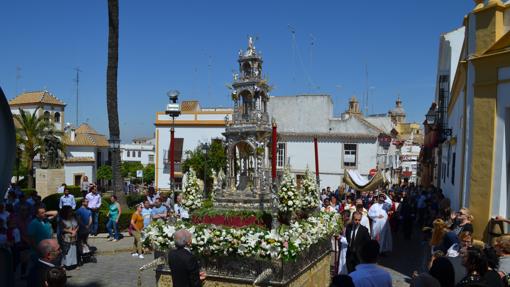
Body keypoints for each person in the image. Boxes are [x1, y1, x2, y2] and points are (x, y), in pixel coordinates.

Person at [337, 210, 351, 275]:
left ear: (346, 217)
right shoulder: (344, 224)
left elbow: (351, 240)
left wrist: (341, 238)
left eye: (343, 216)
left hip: (348, 249)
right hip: (343, 247)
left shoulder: (350, 226)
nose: (342, 218)